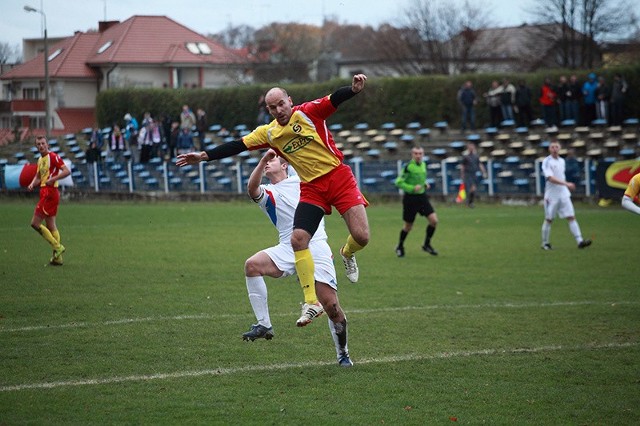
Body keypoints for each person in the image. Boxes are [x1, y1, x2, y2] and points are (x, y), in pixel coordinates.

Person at [177, 74, 370, 324]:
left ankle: (346, 252)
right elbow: (238, 145)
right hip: (312, 186)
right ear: (267, 109)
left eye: (281, 104)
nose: (278, 110)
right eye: (272, 107)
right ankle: (311, 302)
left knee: (362, 237)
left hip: (338, 177)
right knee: (297, 239)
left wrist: (353, 90)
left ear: (290, 101)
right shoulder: (269, 133)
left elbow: (334, 98)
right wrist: (204, 155)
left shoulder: (309, 112)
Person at [242, 149, 352, 367]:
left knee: (330, 306)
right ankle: (264, 324)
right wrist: (264, 157)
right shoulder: (268, 192)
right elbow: (251, 189)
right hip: (287, 246)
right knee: (252, 265)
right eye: (266, 161)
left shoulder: (302, 181)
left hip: (316, 245)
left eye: (272, 160)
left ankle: (343, 353)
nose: (266, 163)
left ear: (285, 165)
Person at [540, 140, 592, 250]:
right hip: (551, 196)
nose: (554, 149)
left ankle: (580, 241)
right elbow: (550, 178)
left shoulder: (562, 161)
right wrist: (566, 183)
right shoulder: (547, 162)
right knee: (549, 219)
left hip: (563, 194)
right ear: (549, 149)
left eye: (556, 147)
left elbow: (560, 176)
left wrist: (565, 185)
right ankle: (545, 243)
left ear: (559, 148)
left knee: (571, 217)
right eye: (552, 147)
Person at [27, 135, 71, 265]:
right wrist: (32, 183)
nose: (41, 146)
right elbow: (38, 176)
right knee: (51, 225)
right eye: (38, 144)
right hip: (45, 192)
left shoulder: (53, 157)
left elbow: (66, 171)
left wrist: (53, 179)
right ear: (36, 147)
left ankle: (57, 247)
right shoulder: (41, 160)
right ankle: (57, 259)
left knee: (34, 223)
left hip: (50, 193)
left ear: (47, 145)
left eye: (43, 143)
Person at [394, 146, 439, 257]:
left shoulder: (423, 165)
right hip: (410, 199)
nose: (418, 155)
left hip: (422, 197)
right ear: (412, 155)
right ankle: (400, 246)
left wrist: (425, 184)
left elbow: (420, 180)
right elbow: (398, 182)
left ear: (423, 154)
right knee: (408, 226)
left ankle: (426, 244)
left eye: (420, 153)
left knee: (434, 221)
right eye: (416, 153)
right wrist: (412, 188)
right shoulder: (408, 167)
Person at [460, 141, 487, 208]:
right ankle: (468, 202)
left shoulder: (476, 156)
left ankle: (470, 202)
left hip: (473, 174)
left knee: (473, 189)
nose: (471, 147)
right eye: (470, 146)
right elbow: (463, 166)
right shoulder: (466, 156)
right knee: (468, 189)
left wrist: (484, 172)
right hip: (467, 174)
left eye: (472, 146)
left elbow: (479, 164)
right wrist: (462, 174)